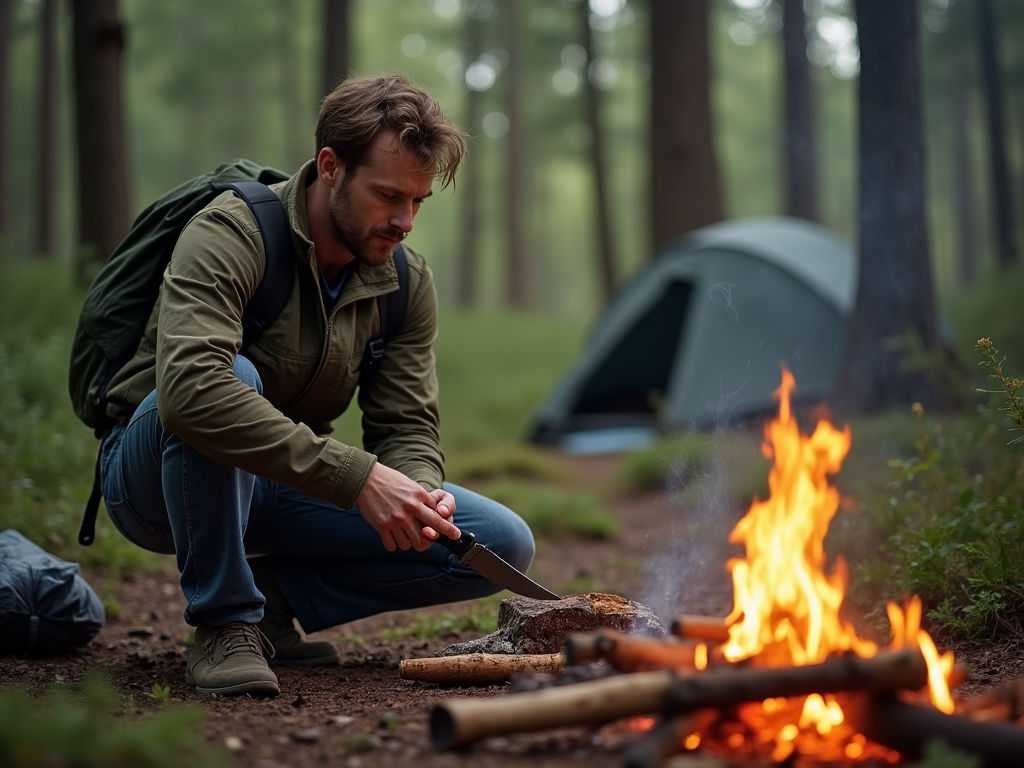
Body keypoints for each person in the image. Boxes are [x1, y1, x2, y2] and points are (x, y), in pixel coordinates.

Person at [98, 74, 537, 696]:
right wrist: (356, 477)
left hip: (279, 483)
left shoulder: (405, 281)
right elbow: (191, 392)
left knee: (500, 540)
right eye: (387, 195)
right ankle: (225, 624)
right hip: (152, 479)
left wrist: (423, 494)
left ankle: (271, 607)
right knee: (232, 380)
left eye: (417, 201)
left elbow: (405, 425)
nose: (404, 220)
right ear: (330, 167)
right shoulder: (232, 233)